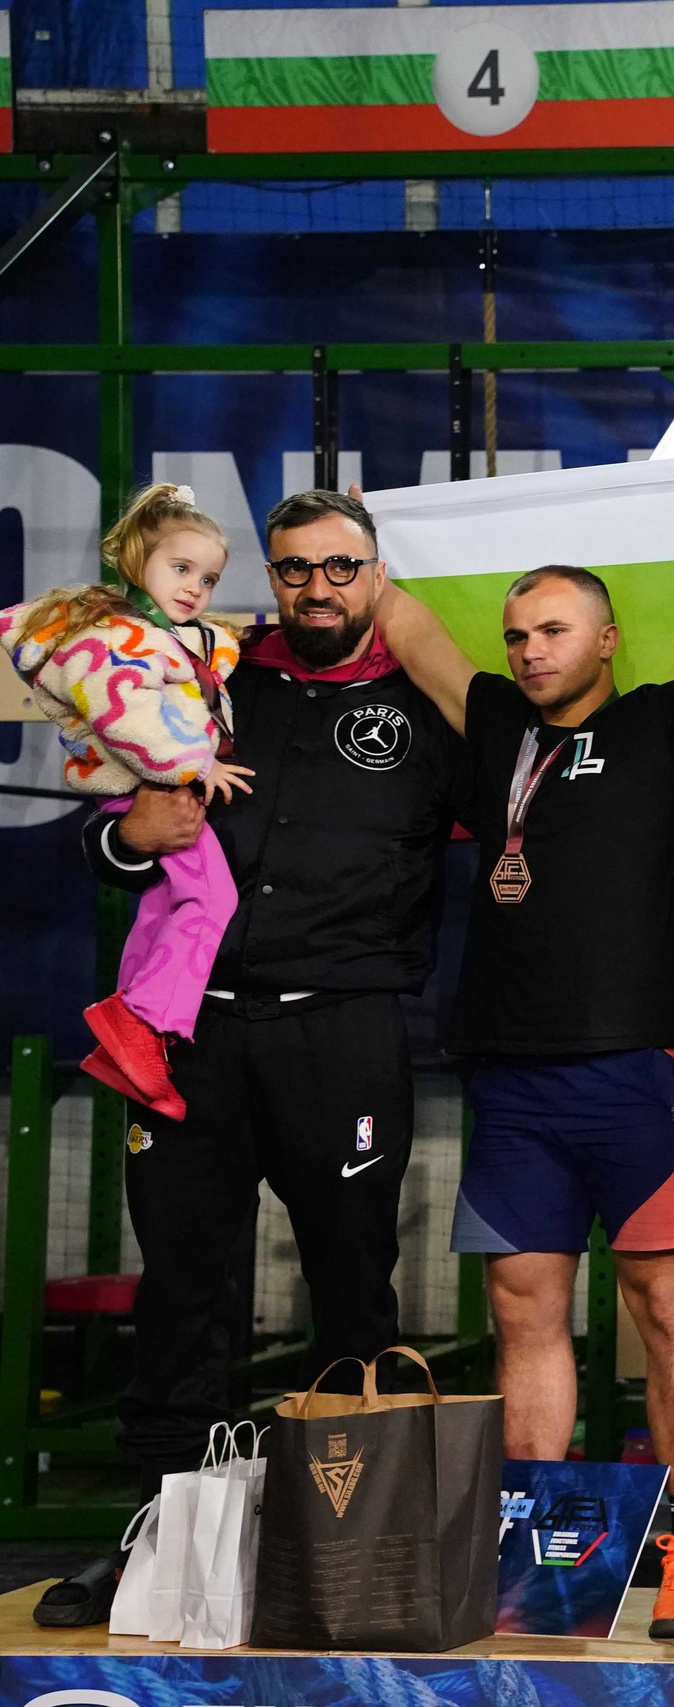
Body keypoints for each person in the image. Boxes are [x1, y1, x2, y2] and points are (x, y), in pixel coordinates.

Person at [54, 490, 476, 1629]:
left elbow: (541, 814)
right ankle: (157, 1543)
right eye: (295, 568)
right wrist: (126, 837)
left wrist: (672, 848)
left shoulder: (429, 704)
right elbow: (106, 819)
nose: (317, 588)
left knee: (353, 1281)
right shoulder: (209, 679)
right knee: (182, 1284)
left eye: (340, 567)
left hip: (344, 1033)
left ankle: (355, 1550)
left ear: (375, 575)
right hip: (192, 1035)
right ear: (273, 577)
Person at [373, 562, 674, 1638]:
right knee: (522, 1311)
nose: (530, 649)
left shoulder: (667, 721)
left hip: (637, 1067)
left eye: (553, 630)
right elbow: (405, 624)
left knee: (665, 1305)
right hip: (511, 1073)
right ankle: (532, 1556)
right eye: (516, 634)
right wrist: (356, 549)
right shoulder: (497, 724)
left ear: (606, 639)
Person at [6, 483, 251, 1119]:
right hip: (152, 791)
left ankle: (132, 1041)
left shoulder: (164, 636)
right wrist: (196, 763)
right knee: (213, 900)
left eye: (209, 578)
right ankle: (141, 1021)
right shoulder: (116, 638)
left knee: (163, 908)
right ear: (139, 559)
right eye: (181, 568)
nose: (195, 588)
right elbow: (131, 719)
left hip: (155, 790)